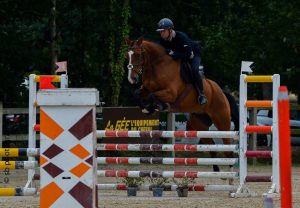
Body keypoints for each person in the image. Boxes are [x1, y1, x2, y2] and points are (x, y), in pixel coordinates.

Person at [156, 18, 208, 105]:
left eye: (163, 31)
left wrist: (174, 54)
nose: (161, 33)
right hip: (180, 56)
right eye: (160, 32)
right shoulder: (163, 40)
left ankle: (201, 95)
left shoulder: (181, 37)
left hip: (193, 54)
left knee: (194, 70)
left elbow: (189, 55)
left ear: (170, 30)